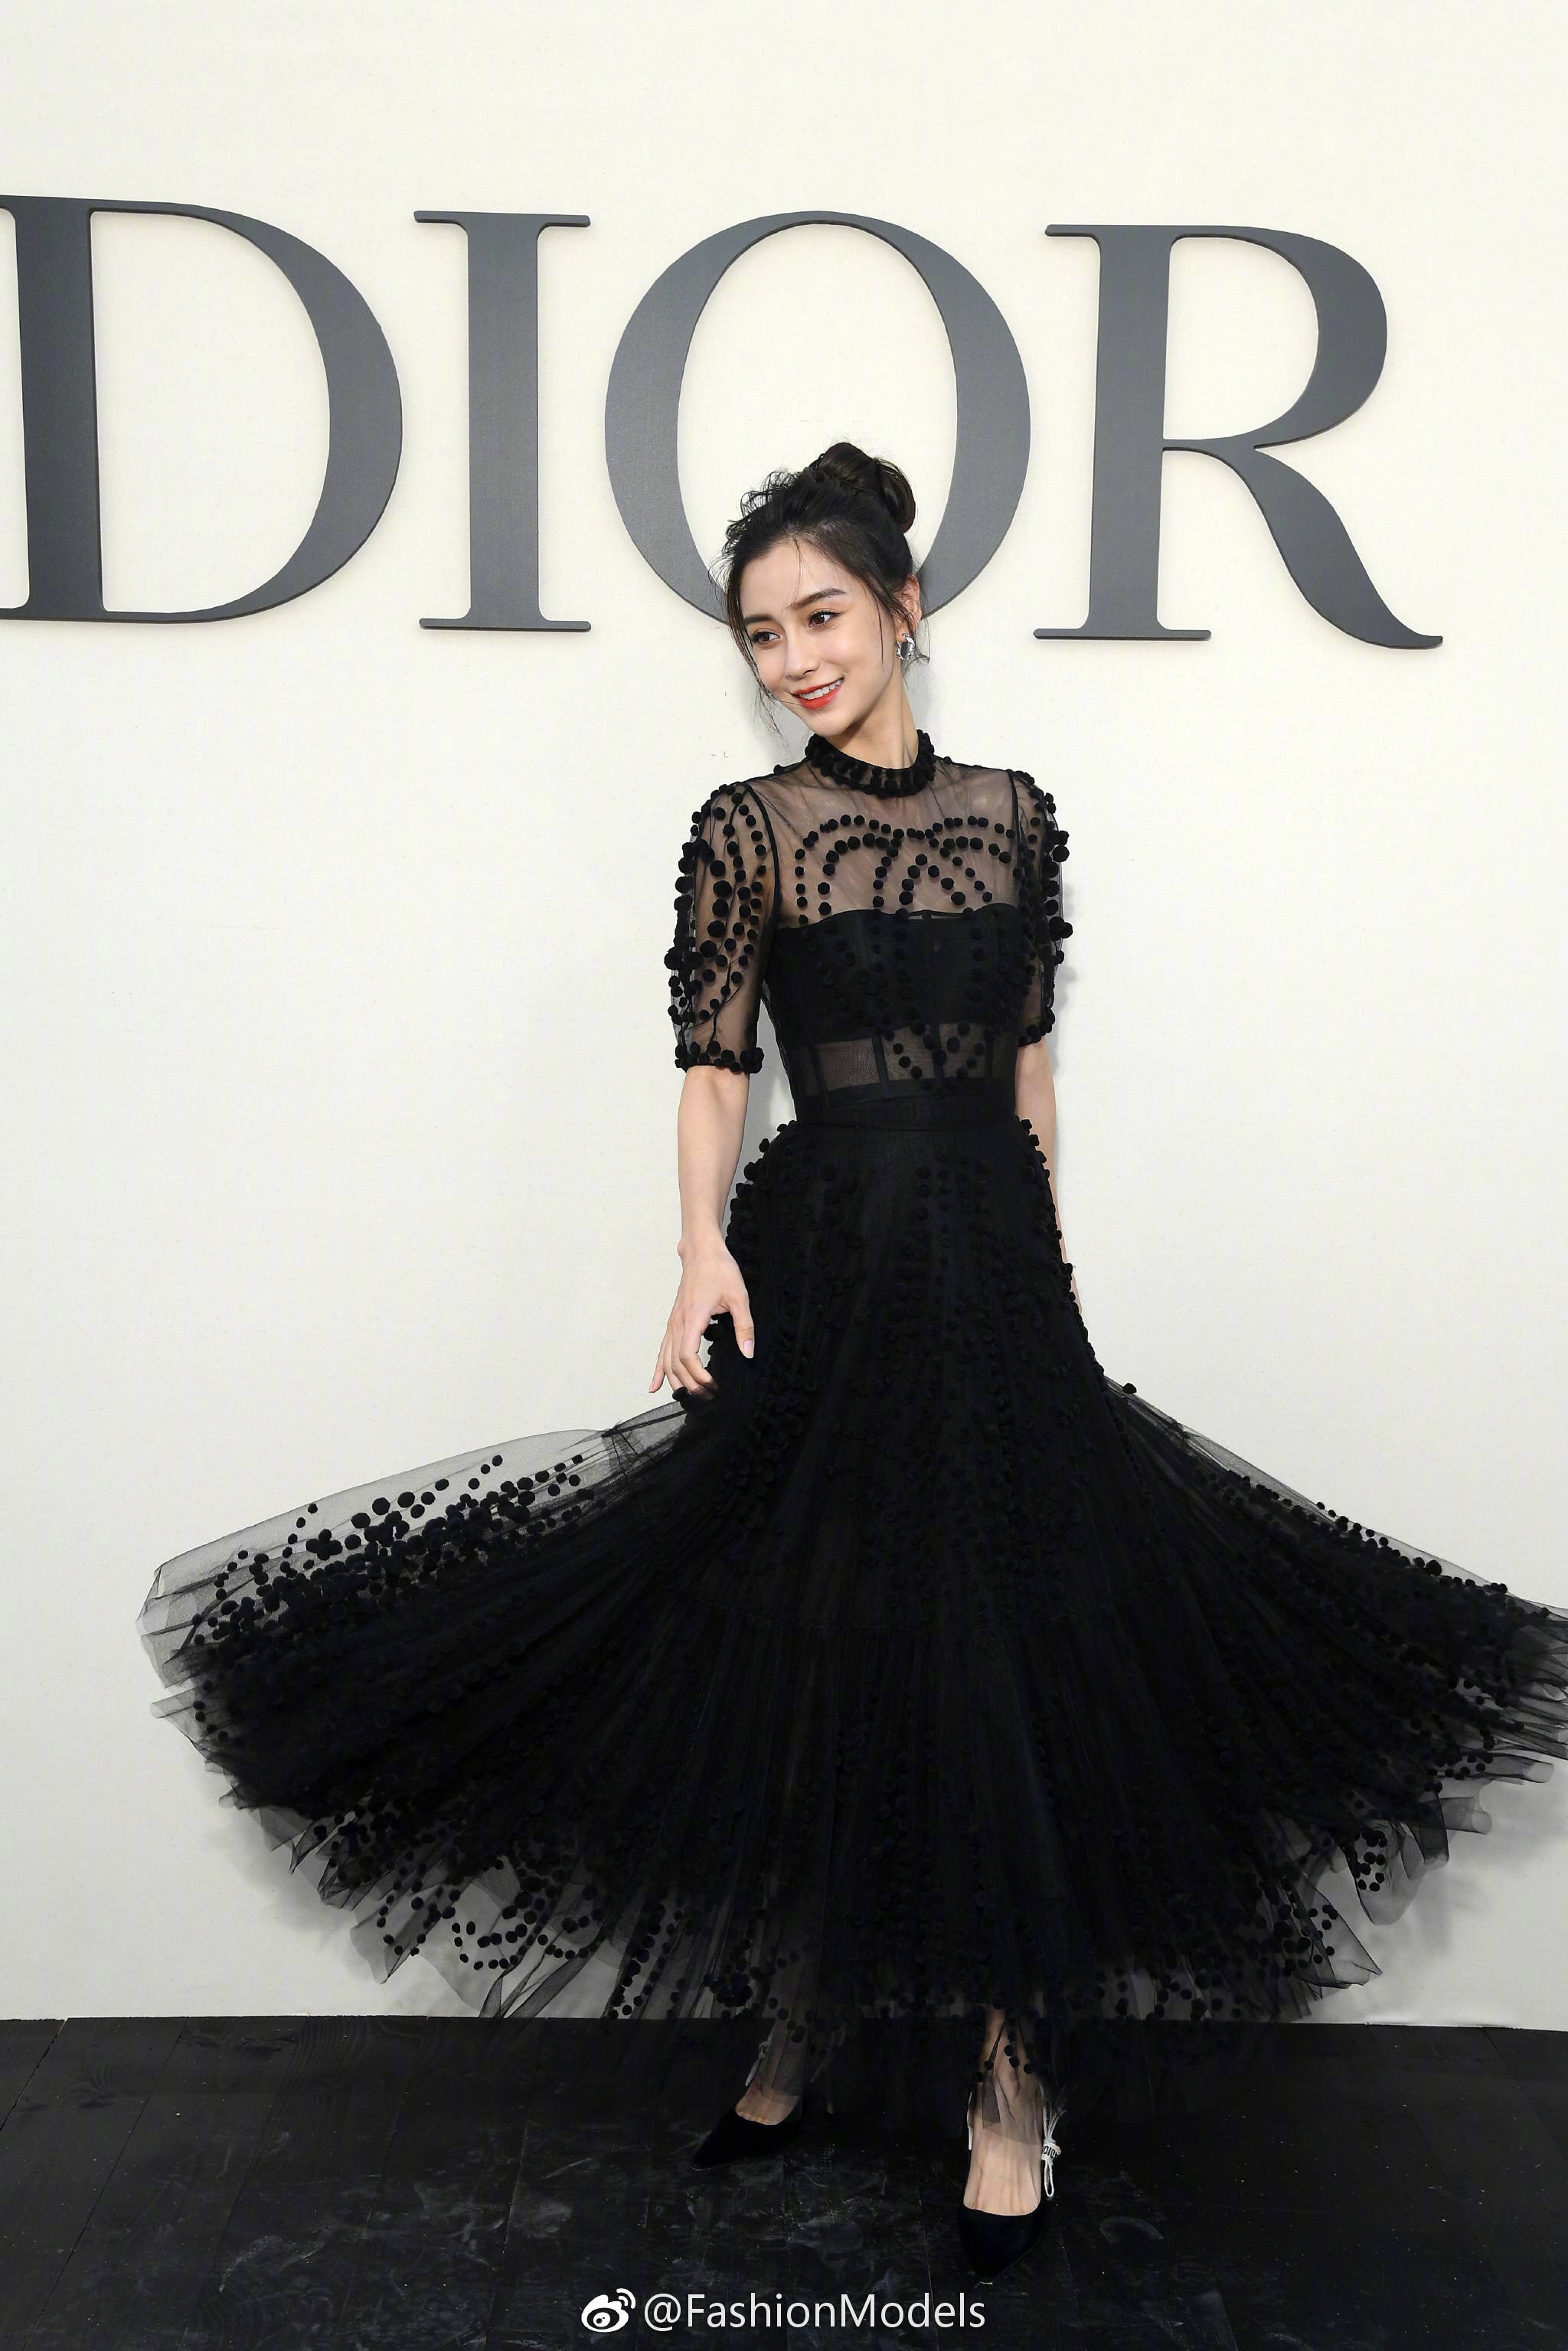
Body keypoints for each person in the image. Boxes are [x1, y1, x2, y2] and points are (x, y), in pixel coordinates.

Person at [139, 441, 1568, 2284]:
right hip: (824, 1260)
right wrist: (697, 1252)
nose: (793, 659)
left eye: (819, 616)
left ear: (905, 607)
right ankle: (807, 2013)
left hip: (990, 1267)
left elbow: (1028, 1065)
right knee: (807, 1638)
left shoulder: (1015, 814)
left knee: (1006, 1654)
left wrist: (1044, 1262)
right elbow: (713, 1067)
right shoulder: (747, 828)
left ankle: (1007, 2086)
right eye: (761, 635)